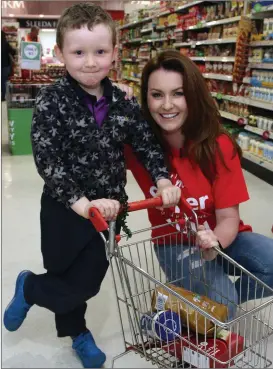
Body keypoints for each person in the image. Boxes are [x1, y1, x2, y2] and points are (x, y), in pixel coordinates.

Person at [3, 5, 181, 369]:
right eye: (78, 52)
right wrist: (81, 203)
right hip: (63, 209)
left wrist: (162, 178)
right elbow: (47, 160)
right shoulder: (52, 101)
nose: (89, 62)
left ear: (115, 53)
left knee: (87, 282)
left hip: (110, 212)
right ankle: (77, 332)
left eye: (100, 52)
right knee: (63, 273)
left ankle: (29, 288)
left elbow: (146, 143)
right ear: (60, 53)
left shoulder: (123, 102)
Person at [123, 50, 273, 320]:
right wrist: (109, 93)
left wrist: (214, 241)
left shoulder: (218, 145)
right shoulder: (140, 147)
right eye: (157, 95)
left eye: (178, 93)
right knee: (222, 304)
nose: (167, 105)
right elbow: (90, 139)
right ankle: (205, 302)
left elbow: (228, 218)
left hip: (224, 236)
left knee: (228, 300)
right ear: (145, 98)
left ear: (193, 95)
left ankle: (202, 302)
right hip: (174, 243)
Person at [1, 31, 16, 101]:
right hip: (5, 65)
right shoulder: (5, 43)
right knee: (4, 81)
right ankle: (3, 96)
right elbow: (13, 51)